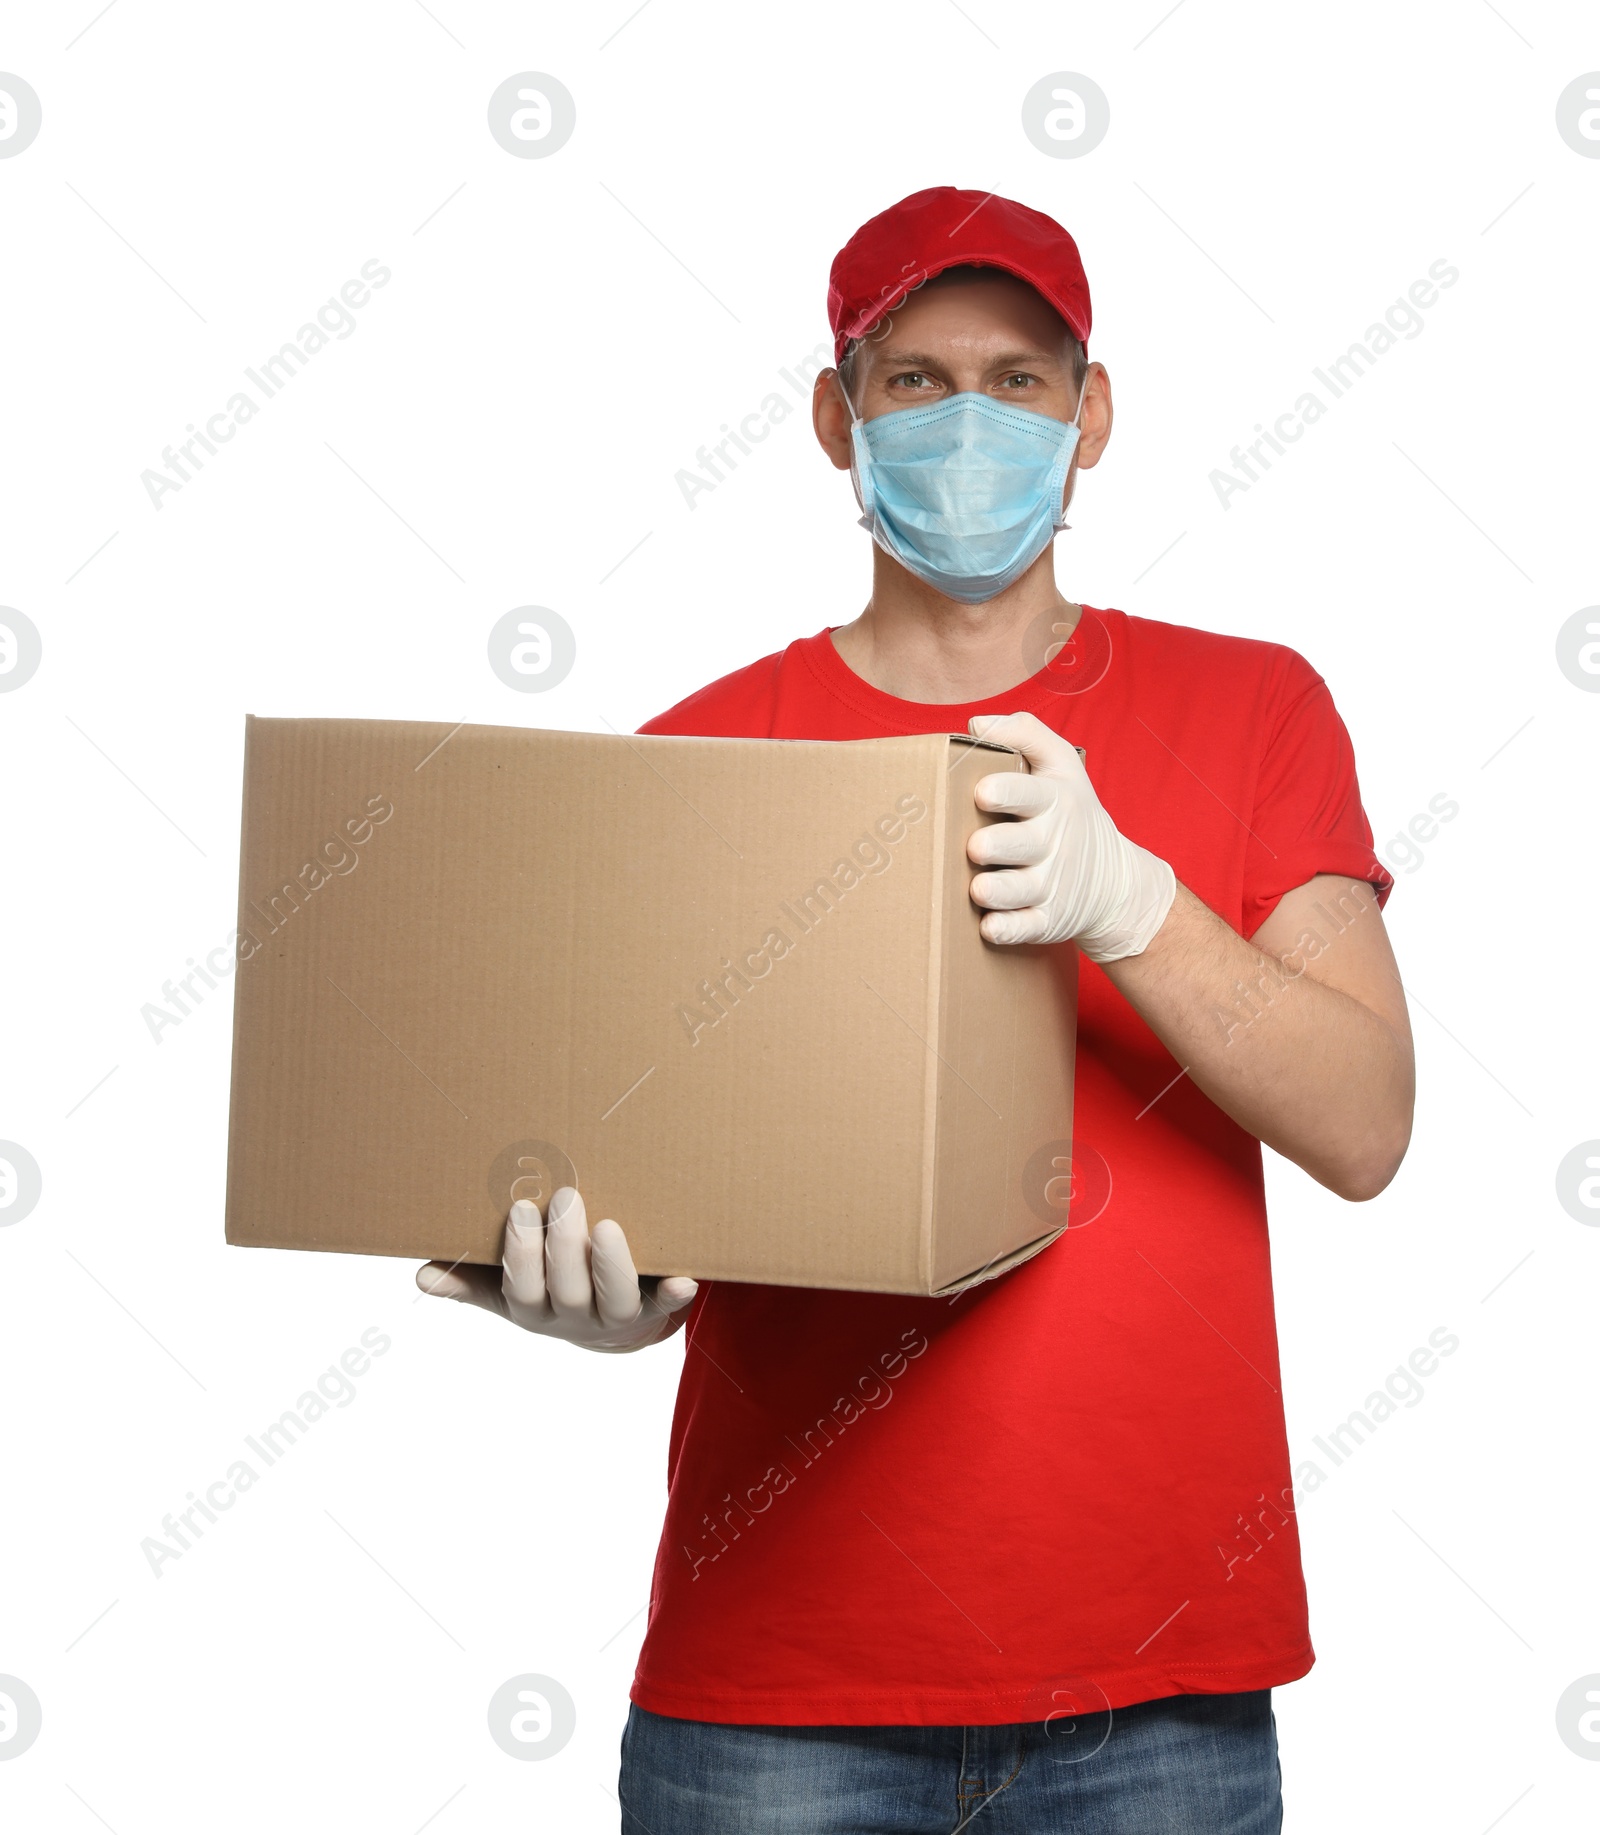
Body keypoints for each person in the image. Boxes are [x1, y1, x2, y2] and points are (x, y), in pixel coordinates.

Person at [419, 186, 1414, 1832]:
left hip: (1155, 1686)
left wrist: (1135, 904)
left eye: (1021, 380)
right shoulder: (695, 763)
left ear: (1092, 415)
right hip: (779, 1692)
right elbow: (641, 1164)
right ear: (837, 416)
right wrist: (611, 1300)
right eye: (916, 379)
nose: (971, 418)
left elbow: (1366, 1126)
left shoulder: (1256, 707)